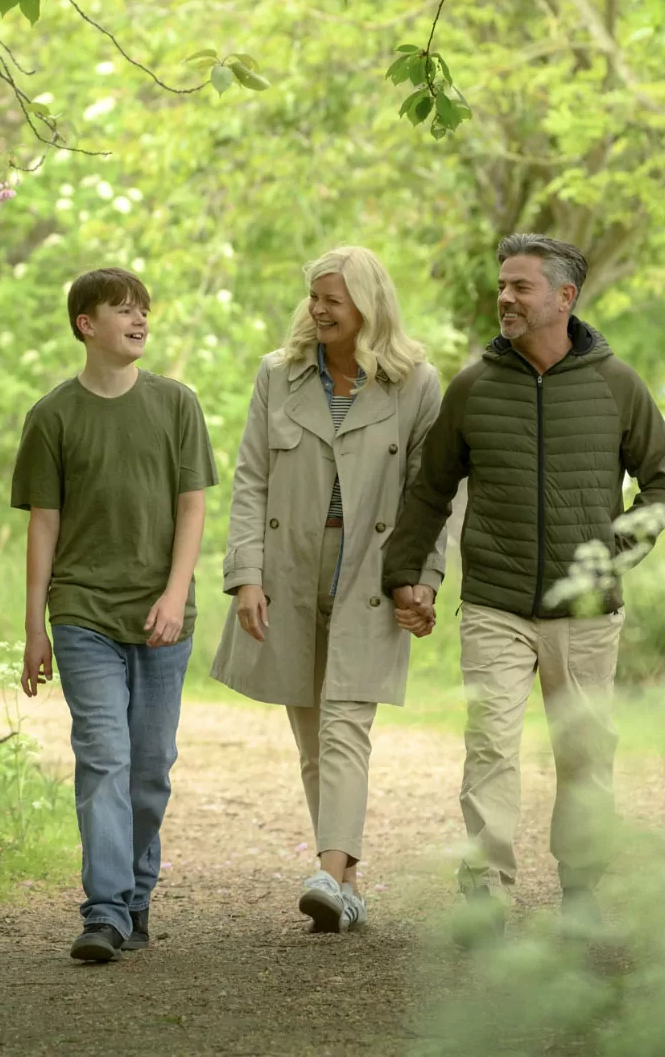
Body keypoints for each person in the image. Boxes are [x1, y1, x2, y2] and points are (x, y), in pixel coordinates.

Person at [383, 233, 665, 937]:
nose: (506, 298)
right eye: (503, 285)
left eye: (521, 286)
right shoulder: (473, 387)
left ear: (564, 297)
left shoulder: (616, 385)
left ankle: (580, 891)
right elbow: (430, 491)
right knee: (490, 743)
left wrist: (606, 561)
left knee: (584, 753)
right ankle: (485, 892)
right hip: (495, 600)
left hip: (585, 610)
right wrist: (405, 577)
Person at [211, 246, 446, 933]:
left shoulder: (417, 384)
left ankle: (324, 869)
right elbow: (251, 479)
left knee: (347, 725)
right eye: (313, 298)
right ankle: (345, 883)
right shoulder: (275, 376)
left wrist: (422, 579)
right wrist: (245, 575)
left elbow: (432, 494)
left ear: (367, 308)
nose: (317, 310)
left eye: (332, 301)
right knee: (314, 738)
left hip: (372, 570)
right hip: (288, 568)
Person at [13, 267, 218, 964]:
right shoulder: (52, 416)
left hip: (162, 615)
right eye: (123, 310)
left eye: (144, 311)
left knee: (151, 766)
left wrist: (173, 591)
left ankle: (134, 895)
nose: (139, 321)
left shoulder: (176, 404)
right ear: (86, 325)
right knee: (104, 757)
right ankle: (103, 910)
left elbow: (193, 506)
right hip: (82, 611)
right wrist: (34, 624)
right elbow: (44, 524)